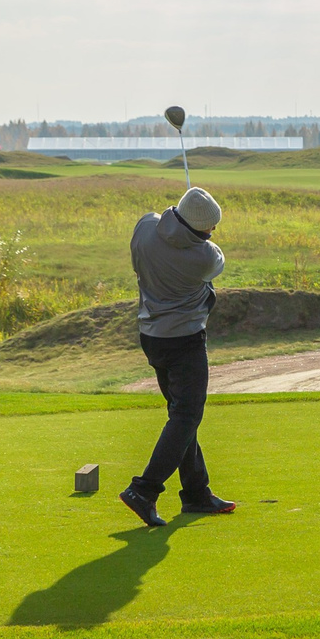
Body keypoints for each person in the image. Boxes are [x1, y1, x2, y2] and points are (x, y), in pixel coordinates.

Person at [121, 186, 238, 527]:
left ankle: (197, 494)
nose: (212, 232)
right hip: (185, 340)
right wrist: (200, 235)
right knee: (186, 417)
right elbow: (218, 258)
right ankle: (144, 489)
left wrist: (190, 221)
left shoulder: (144, 228)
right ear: (200, 229)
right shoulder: (203, 257)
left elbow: (163, 224)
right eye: (210, 227)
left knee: (182, 417)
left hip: (152, 337)